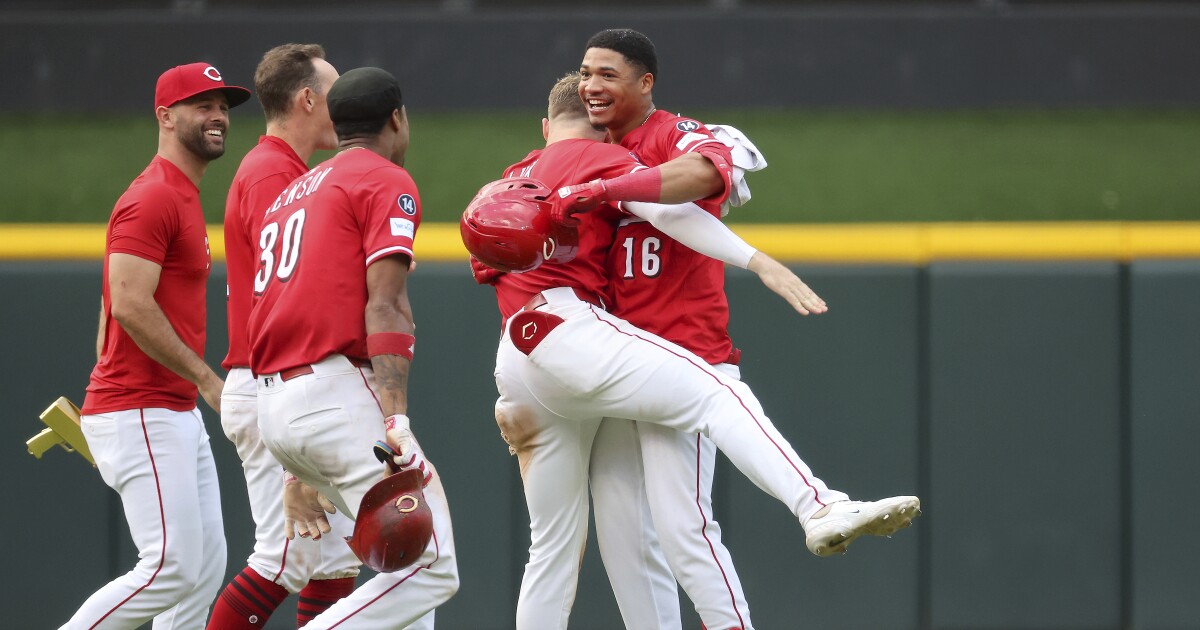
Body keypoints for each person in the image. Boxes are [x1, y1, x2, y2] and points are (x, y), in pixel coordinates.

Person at [470, 73, 833, 630]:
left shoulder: (508, 179)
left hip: (516, 360)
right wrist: (757, 260)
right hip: (569, 333)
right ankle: (818, 504)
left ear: (544, 127)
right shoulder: (600, 154)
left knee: (551, 550)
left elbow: (485, 258)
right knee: (716, 393)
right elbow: (667, 209)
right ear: (602, 123)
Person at [247, 66, 458, 629]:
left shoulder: (291, 193)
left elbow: (273, 314)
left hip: (277, 405)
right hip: (336, 398)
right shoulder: (383, 177)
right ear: (397, 118)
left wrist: (294, 471)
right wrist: (396, 420)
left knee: (404, 568)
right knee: (435, 570)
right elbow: (385, 306)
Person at [62, 61, 249, 629]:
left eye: (223, 107)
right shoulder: (153, 196)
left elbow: (110, 306)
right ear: (165, 117)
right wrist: (207, 379)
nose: (217, 116)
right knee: (170, 566)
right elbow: (128, 302)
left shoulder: (181, 194)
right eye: (202, 105)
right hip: (139, 407)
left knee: (203, 569)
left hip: (170, 409)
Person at [207, 43, 362, 630]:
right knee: (284, 560)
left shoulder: (282, 169)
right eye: (334, 92)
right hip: (274, 377)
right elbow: (291, 290)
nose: (344, 104)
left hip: (281, 378)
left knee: (336, 560)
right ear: (307, 99)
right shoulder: (274, 172)